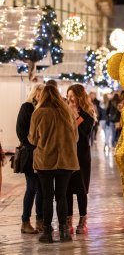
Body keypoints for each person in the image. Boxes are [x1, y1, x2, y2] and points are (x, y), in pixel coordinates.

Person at [28, 85, 79, 243]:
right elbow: (75, 137)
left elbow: (32, 139)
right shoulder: (68, 112)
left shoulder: (38, 113)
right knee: (62, 196)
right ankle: (64, 232)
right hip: (66, 160)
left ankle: (47, 233)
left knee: (47, 197)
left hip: (45, 161)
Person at [66, 84, 96, 235]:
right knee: (67, 189)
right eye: (68, 95)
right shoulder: (64, 112)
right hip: (67, 155)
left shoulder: (87, 113)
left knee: (81, 189)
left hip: (82, 156)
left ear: (79, 97)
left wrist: (75, 115)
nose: (70, 99)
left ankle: (83, 220)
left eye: (72, 96)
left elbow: (85, 134)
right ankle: (68, 220)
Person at [16, 84, 44, 234]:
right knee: (32, 187)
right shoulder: (27, 107)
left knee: (41, 189)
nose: (41, 95)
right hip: (29, 155)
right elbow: (20, 130)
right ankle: (25, 222)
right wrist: (31, 147)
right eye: (39, 92)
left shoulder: (44, 108)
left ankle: (40, 221)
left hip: (43, 155)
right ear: (35, 93)